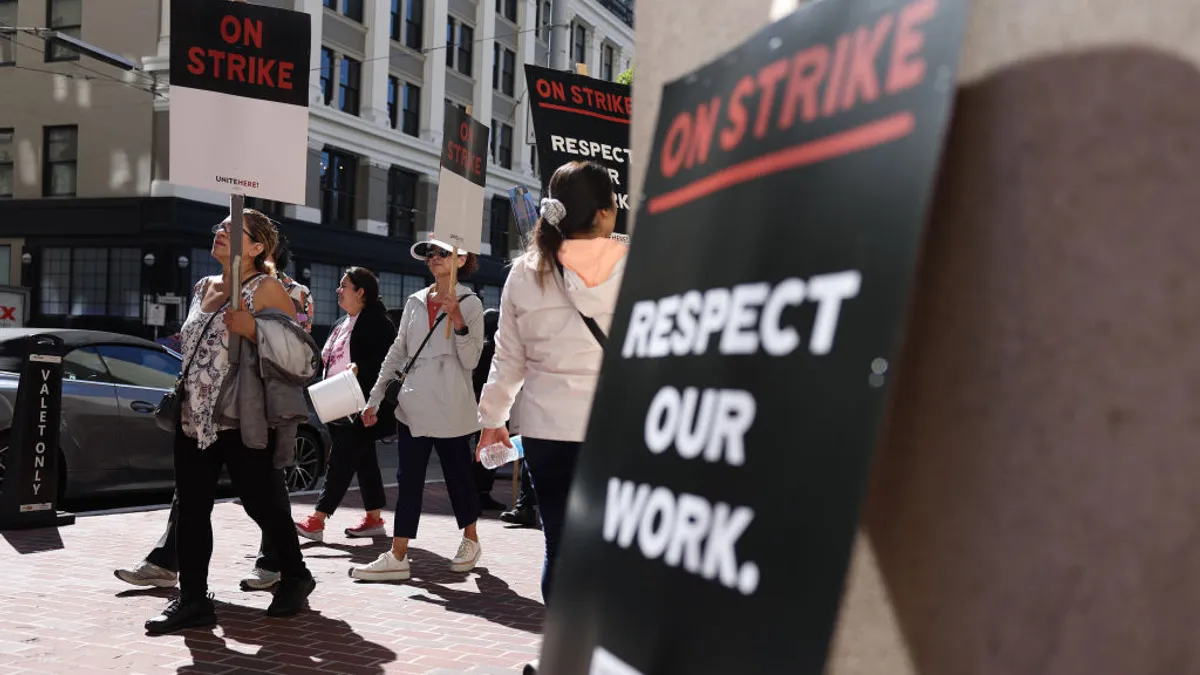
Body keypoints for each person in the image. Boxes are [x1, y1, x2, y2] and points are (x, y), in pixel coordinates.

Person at [144, 210, 318, 634]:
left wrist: (254, 330)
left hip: (242, 418)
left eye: (231, 229)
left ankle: (295, 575)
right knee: (191, 510)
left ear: (258, 248)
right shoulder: (203, 286)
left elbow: (301, 358)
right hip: (193, 418)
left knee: (263, 506)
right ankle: (193, 600)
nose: (219, 233)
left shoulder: (268, 288)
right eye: (219, 228)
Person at [476, 161, 626, 603]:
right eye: (614, 205)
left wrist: (493, 419)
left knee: (558, 545)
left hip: (546, 432)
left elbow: (507, 358)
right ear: (601, 213)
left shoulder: (524, 272)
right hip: (614, 429)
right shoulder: (635, 265)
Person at [349, 238, 486, 581]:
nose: (434, 258)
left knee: (458, 477)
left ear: (461, 258)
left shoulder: (470, 302)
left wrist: (457, 320)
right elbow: (398, 352)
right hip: (413, 403)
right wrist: (375, 397)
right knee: (408, 479)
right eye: (430, 253)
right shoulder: (414, 301)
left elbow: (471, 359)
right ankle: (398, 553)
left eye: (442, 252)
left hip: (451, 404)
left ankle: (471, 538)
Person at [294, 267, 397, 541]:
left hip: (362, 406)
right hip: (339, 402)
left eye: (344, 285)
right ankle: (374, 519)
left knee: (340, 459)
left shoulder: (377, 321)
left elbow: (388, 362)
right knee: (363, 460)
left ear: (360, 291)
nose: (338, 290)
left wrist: (360, 368)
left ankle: (318, 519)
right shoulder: (343, 322)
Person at [471, 309, 510, 512]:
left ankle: (475, 492)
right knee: (491, 452)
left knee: (478, 450)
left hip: (474, 403)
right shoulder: (499, 350)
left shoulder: (479, 348)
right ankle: (482, 492)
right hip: (496, 407)